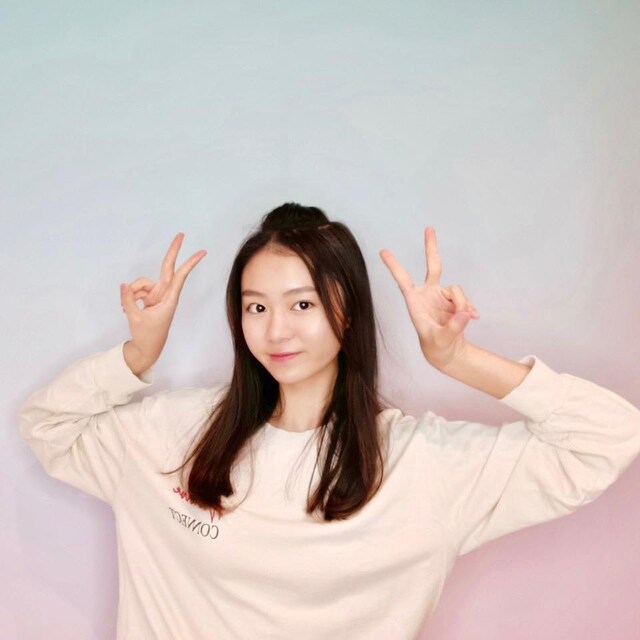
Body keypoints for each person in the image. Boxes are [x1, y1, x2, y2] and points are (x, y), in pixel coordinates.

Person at [18, 203, 640, 639]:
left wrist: (458, 359)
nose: (276, 330)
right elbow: (47, 425)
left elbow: (609, 437)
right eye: (256, 307)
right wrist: (137, 355)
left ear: (348, 310)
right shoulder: (170, 434)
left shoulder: (422, 464)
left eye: (303, 304)